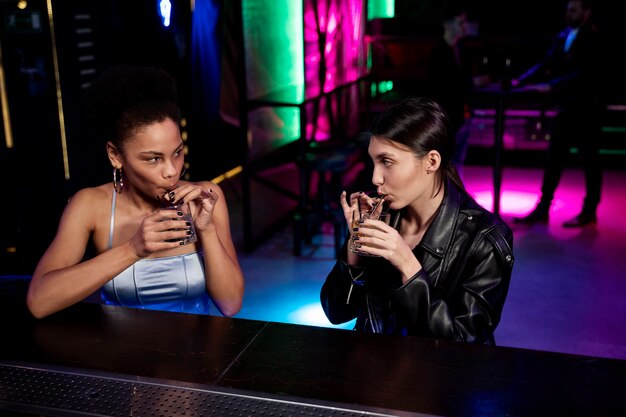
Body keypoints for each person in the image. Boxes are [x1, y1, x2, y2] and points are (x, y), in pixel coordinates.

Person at [26, 65, 244, 319]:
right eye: (153, 159)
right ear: (115, 155)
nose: (172, 171)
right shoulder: (91, 205)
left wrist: (206, 230)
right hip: (122, 355)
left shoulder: (206, 197)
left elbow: (231, 305)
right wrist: (133, 249)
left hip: (196, 354)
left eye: (177, 153)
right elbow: (39, 301)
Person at [320, 97, 514, 345]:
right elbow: (336, 313)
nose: (375, 177)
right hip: (370, 374)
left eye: (387, 162)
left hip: (436, 381)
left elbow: (468, 345)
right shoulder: (379, 217)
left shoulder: (485, 238)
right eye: (374, 162)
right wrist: (355, 250)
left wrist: (407, 265)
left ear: (431, 161)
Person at [512, 0, 604, 227]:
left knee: (590, 161)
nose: (568, 13)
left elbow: (586, 73)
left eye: (574, 9)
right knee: (554, 159)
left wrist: (553, 85)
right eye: (567, 9)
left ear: (587, 12)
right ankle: (543, 209)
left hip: (587, 109)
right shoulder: (564, 35)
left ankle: (589, 211)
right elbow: (546, 62)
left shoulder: (594, 36)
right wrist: (520, 80)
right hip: (566, 108)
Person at [425, 2, 488, 179]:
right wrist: (472, 82)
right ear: (448, 24)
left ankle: (454, 198)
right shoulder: (440, 52)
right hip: (448, 119)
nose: (464, 27)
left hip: (458, 117)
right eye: (460, 22)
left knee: (455, 162)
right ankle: (449, 200)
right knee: (447, 163)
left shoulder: (456, 49)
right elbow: (443, 86)